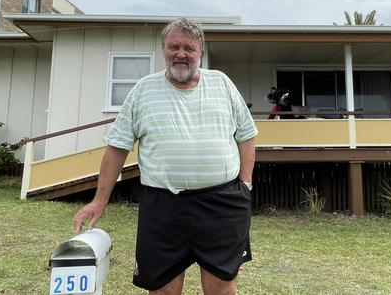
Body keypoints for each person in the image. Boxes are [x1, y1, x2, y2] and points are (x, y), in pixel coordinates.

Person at [73, 17, 258, 295]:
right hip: (163, 207)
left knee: (222, 286)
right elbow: (117, 148)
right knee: (161, 289)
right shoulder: (143, 91)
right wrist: (100, 200)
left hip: (222, 203)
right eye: (174, 46)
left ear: (201, 53)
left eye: (189, 48)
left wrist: (245, 184)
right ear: (163, 50)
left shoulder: (222, 84)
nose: (181, 54)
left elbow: (246, 135)